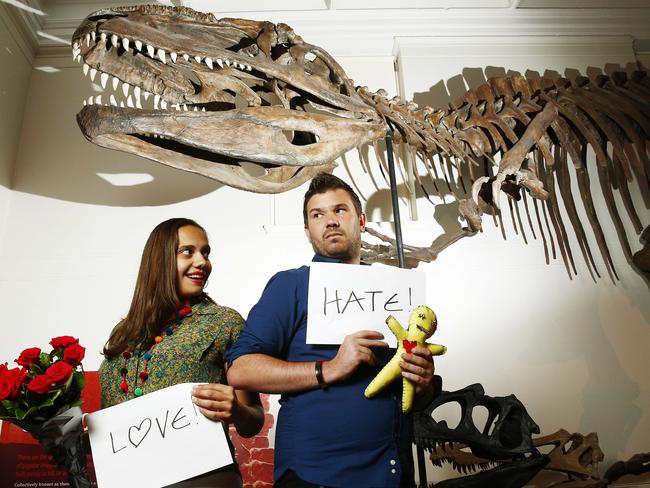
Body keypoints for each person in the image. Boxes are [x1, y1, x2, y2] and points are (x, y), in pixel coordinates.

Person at [226, 173, 438, 488]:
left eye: (340, 210)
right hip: (316, 476)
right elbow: (240, 370)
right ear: (307, 230)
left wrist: (422, 383)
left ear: (361, 221)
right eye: (318, 214)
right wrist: (329, 369)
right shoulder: (291, 286)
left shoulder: (396, 290)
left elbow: (414, 398)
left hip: (391, 473)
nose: (330, 221)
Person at [99, 218, 264, 487]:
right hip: (130, 479)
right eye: (188, 251)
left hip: (201, 480)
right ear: (159, 260)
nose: (202, 262)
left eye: (206, 252)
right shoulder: (123, 332)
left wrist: (236, 411)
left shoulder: (224, 322)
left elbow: (253, 420)